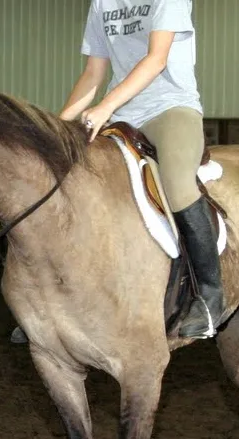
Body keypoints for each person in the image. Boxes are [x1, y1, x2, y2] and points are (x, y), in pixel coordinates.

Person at [11, 0, 224, 344]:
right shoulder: (102, 3)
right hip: (121, 112)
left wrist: (106, 107)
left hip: (170, 107)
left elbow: (156, 59)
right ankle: (53, 300)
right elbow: (93, 74)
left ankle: (211, 295)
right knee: (67, 180)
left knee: (177, 185)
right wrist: (57, 130)